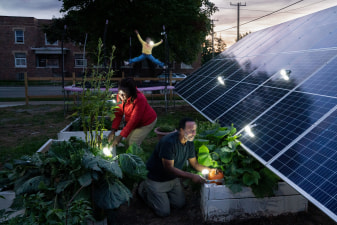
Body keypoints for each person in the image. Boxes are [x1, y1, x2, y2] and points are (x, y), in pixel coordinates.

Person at [138, 117, 215, 217]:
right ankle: (143, 188)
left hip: (172, 179)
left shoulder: (189, 142)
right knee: (164, 212)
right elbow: (169, 168)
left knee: (179, 204)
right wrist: (192, 176)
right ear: (181, 130)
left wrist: (211, 170)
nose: (194, 133)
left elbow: (194, 164)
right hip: (156, 179)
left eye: (194, 130)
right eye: (191, 130)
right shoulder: (169, 143)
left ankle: (162, 196)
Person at [108, 78, 157, 147]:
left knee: (133, 142)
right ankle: (129, 154)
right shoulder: (120, 96)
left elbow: (134, 120)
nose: (121, 97)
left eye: (124, 95)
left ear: (131, 93)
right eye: (119, 93)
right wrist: (113, 130)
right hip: (135, 122)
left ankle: (136, 156)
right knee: (127, 141)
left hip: (146, 122)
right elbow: (118, 114)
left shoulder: (139, 99)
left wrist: (120, 136)